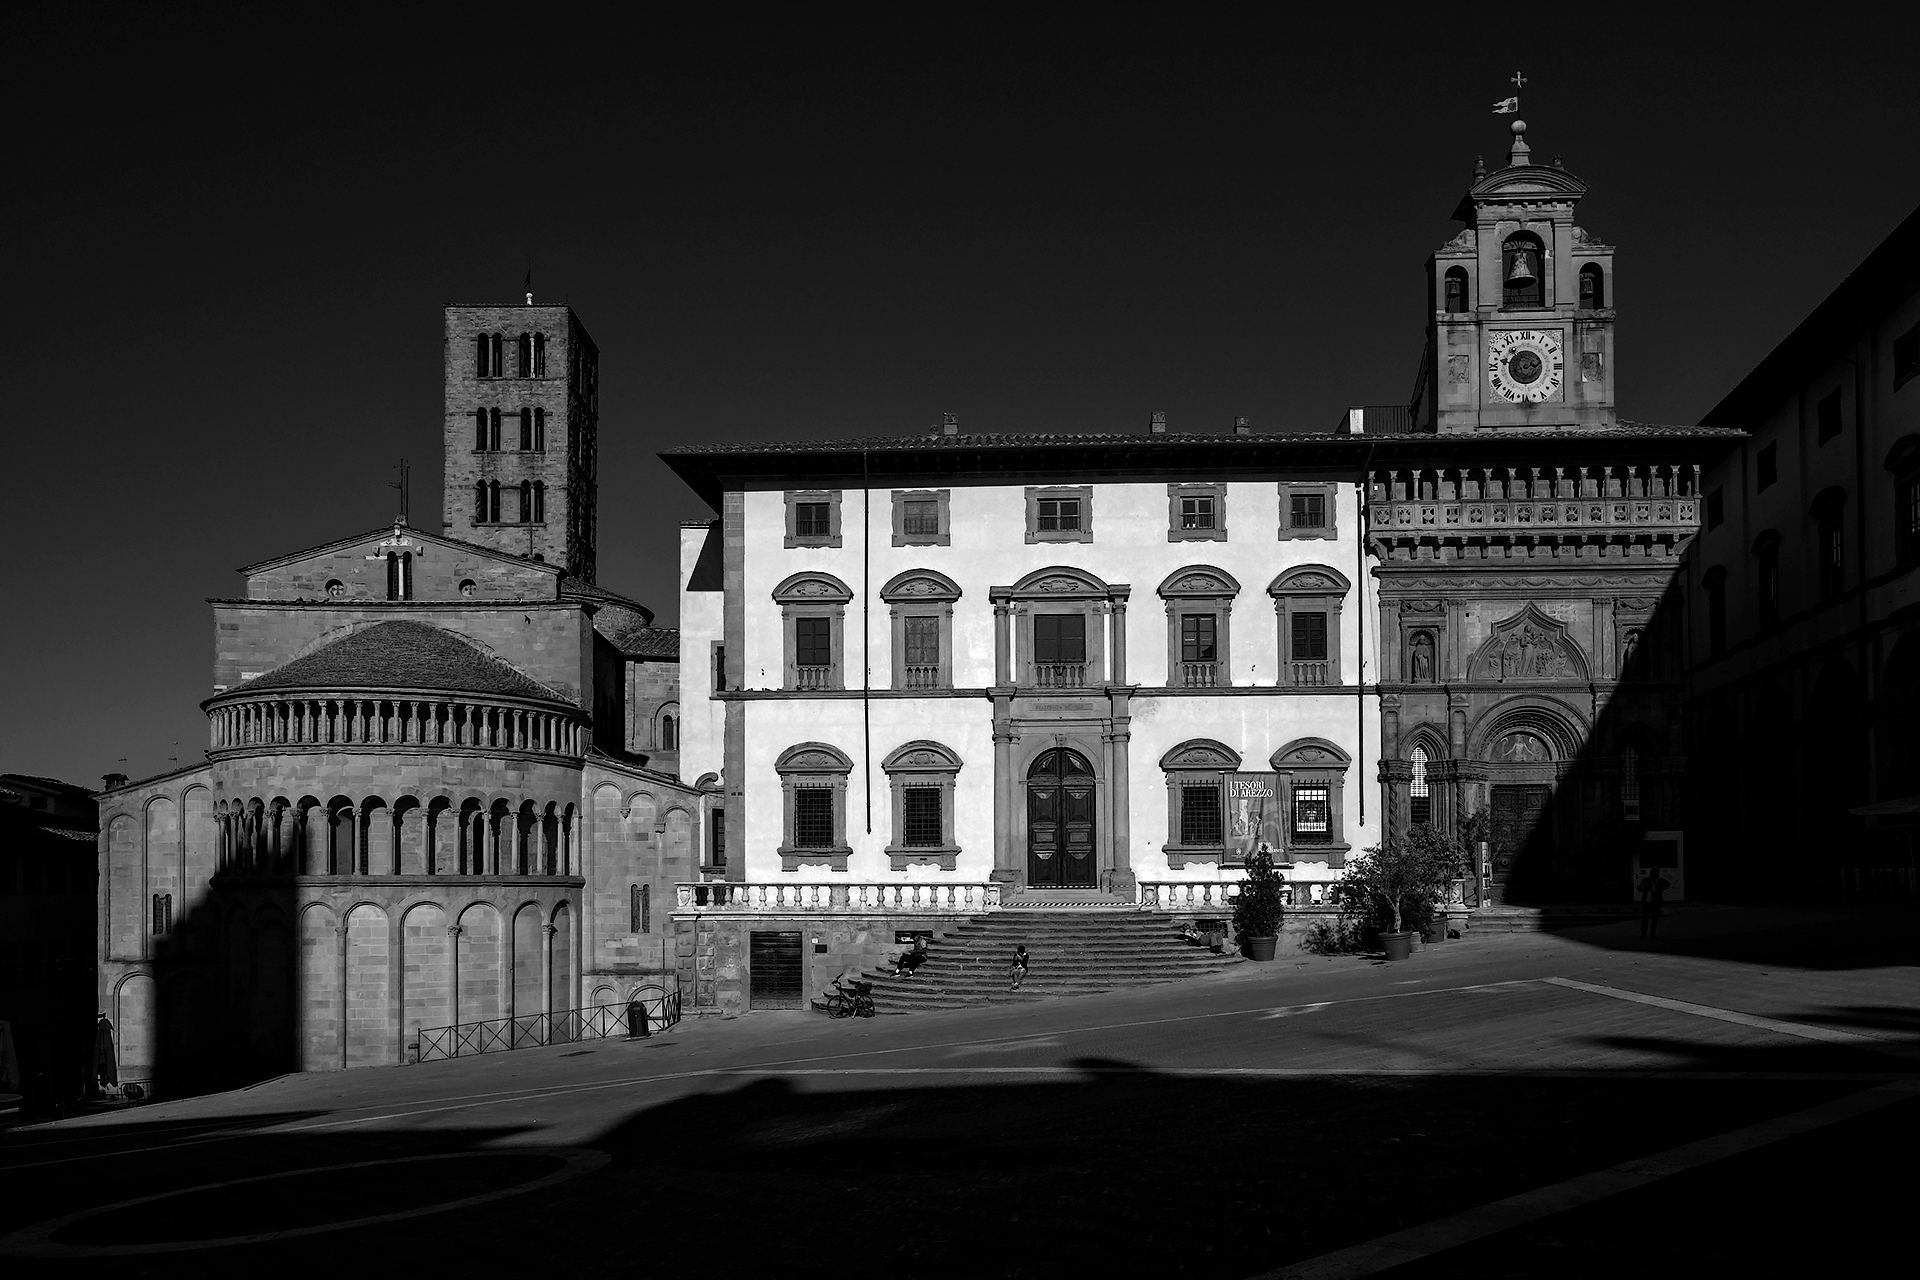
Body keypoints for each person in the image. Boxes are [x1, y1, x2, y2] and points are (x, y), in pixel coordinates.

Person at [1637, 865, 1672, 940]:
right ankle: (1644, 934)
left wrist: (1659, 887)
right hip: (1647, 902)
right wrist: (1644, 886)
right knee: (1645, 919)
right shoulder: (1646, 880)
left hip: (1655, 902)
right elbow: (1639, 889)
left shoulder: (1660, 881)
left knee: (1654, 919)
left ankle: (1651, 934)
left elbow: (1668, 884)